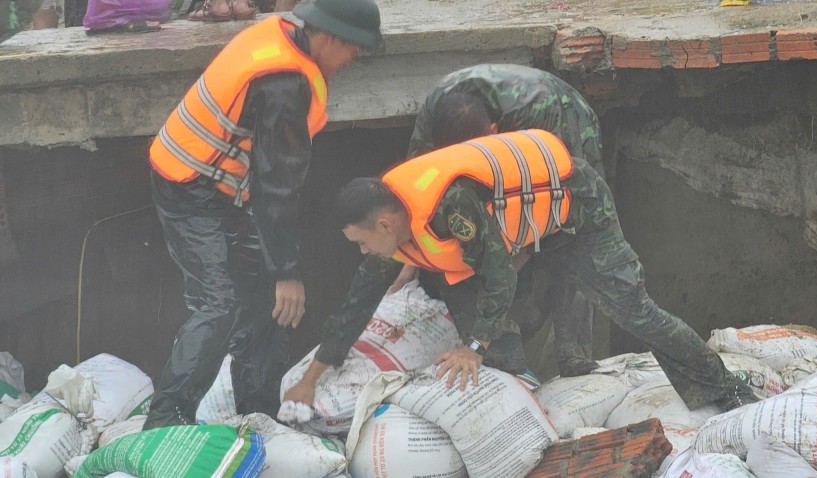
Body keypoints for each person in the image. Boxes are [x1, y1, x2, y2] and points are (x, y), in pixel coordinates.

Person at [284, 129, 758, 410]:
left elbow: (501, 276)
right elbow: (354, 310)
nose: (364, 253)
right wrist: (311, 379)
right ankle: (521, 383)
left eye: (363, 242)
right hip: (522, 231)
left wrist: (472, 347)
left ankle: (721, 386)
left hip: (576, 211)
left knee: (634, 312)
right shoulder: (392, 240)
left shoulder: (451, 207)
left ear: (384, 223)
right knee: (467, 303)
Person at [142, 0, 383, 430]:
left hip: (222, 185)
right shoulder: (285, 83)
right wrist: (287, 272)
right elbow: (276, 187)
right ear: (328, 37)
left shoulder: (283, 35)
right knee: (217, 303)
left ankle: (257, 411)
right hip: (188, 186)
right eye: (354, 49)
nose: (355, 60)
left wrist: (276, 271)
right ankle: (164, 420)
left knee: (260, 299)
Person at [396, 64, 603, 377]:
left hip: (559, 134)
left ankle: (574, 356)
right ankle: (504, 362)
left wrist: (506, 263)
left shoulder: (550, 124)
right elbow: (418, 205)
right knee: (458, 253)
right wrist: (407, 269)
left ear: (493, 133)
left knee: (579, 234)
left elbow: (549, 220)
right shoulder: (432, 125)